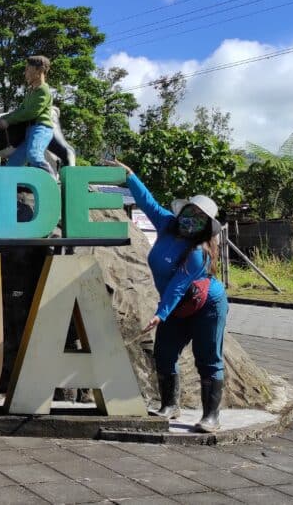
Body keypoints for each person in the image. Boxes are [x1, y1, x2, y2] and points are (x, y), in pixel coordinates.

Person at [106, 158, 228, 433]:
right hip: (177, 308)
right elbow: (148, 202)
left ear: (205, 226)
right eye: (189, 213)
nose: (190, 221)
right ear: (181, 211)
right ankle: (170, 405)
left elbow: (178, 285)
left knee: (208, 356)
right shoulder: (166, 224)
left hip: (206, 306)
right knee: (164, 352)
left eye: (198, 219)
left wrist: (160, 313)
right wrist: (131, 176)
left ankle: (211, 416)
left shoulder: (198, 253)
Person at [0, 55, 56, 175]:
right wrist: (0, 119)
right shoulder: (31, 91)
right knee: (11, 166)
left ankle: (53, 181)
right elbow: (20, 110)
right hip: (29, 132)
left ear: (39, 71)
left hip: (41, 129)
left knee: (34, 156)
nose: (25, 73)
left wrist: (8, 122)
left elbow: (31, 112)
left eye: (28, 69)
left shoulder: (43, 90)